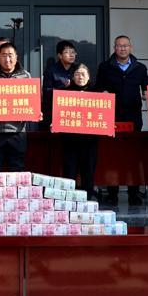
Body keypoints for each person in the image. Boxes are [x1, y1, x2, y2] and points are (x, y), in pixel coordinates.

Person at [93, 35, 148, 206]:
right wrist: (102, 92)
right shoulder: (105, 67)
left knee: (133, 155)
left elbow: (146, 88)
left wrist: (147, 95)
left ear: (130, 48)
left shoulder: (140, 68)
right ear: (114, 48)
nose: (122, 48)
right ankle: (112, 194)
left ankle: (134, 193)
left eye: (125, 46)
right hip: (112, 116)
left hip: (133, 117)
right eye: (119, 46)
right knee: (112, 155)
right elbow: (98, 87)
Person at [0, 42, 36, 172]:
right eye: (4, 55)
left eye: (10, 55)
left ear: (16, 57)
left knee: (17, 170)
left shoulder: (25, 76)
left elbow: (32, 101)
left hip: (18, 131)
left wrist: (35, 112)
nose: (7, 59)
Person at [59, 64, 100, 200]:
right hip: (70, 141)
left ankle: (88, 198)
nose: (80, 77)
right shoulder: (65, 93)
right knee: (69, 172)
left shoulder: (96, 94)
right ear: (72, 77)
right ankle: (68, 200)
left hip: (89, 142)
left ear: (89, 77)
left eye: (83, 74)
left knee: (88, 172)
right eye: (77, 74)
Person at [41, 40, 78, 131]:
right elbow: (46, 92)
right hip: (55, 112)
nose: (71, 55)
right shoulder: (51, 71)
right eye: (67, 52)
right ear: (60, 55)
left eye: (73, 52)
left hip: (74, 112)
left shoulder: (77, 69)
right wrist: (63, 88)